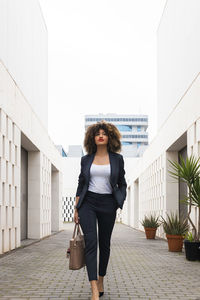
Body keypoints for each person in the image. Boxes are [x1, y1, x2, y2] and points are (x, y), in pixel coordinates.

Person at [73, 120, 127, 300]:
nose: (100, 136)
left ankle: (101, 278)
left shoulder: (117, 159)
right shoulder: (86, 159)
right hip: (88, 203)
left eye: (104, 133)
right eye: (97, 134)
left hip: (108, 204)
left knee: (105, 244)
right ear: (92, 138)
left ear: (109, 137)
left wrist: (120, 200)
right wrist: (76, 208)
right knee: (91, 243)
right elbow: (81, 183)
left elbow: (122, 183)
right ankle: (94, 288)